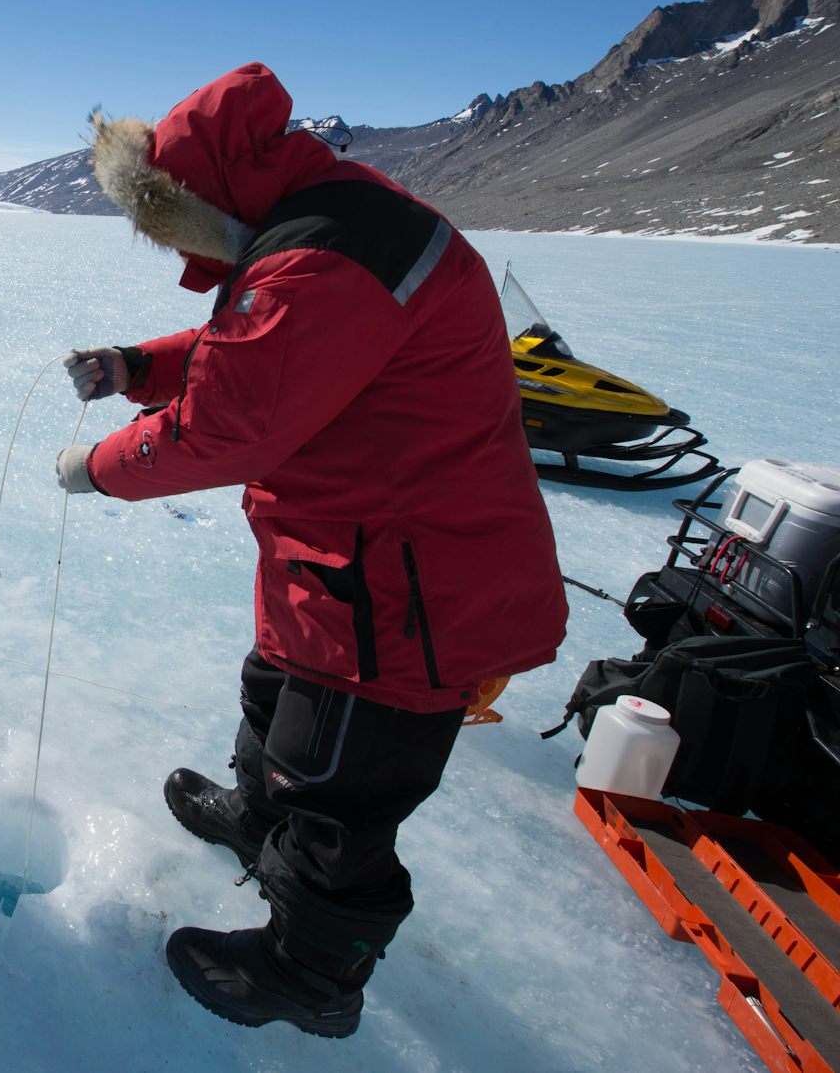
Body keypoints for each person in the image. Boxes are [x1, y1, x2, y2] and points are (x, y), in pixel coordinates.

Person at [55, 64, 566, 1038]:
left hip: (405, 591)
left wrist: (101, 467)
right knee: (275, 700)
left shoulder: (322, 259)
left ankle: (312, 973)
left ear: (199, 197)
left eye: (165, 221)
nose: (170, 246)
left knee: (339, 792)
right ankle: (257, 817)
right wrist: (137, 365)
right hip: (345, 557)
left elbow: (227, 423)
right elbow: (247, 341)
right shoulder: (318, 226)